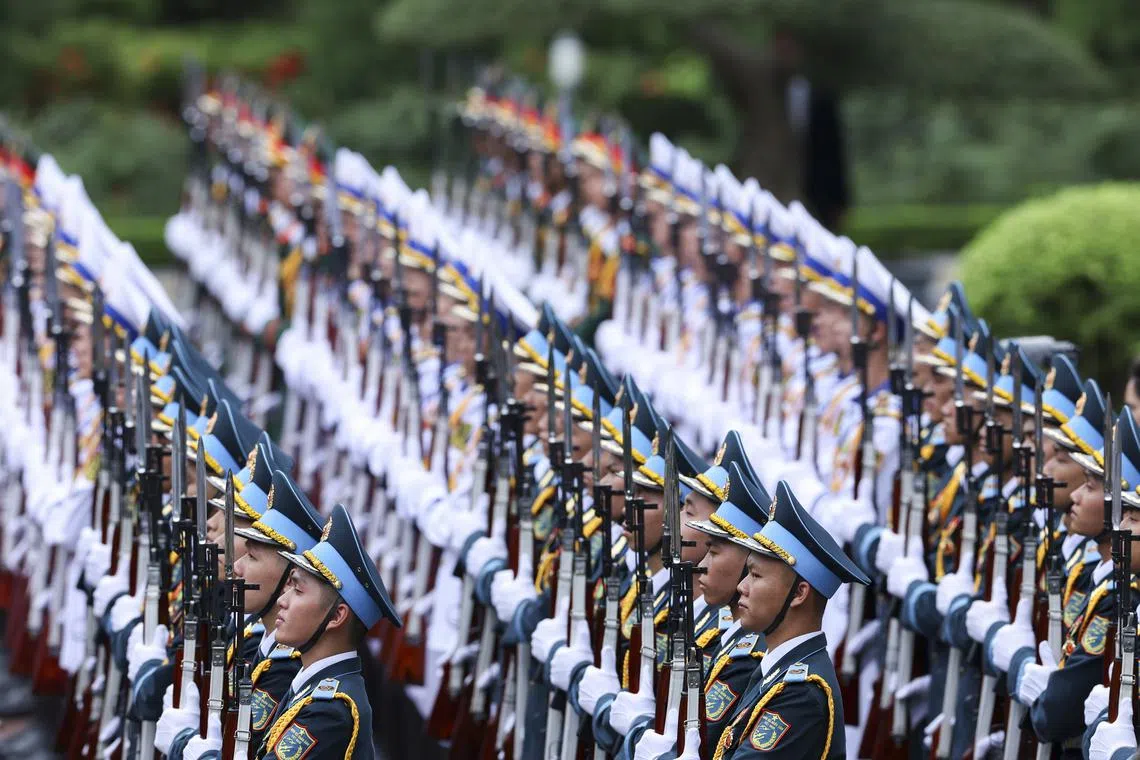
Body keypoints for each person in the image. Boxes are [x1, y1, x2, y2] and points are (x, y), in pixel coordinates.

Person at [713, 480, 870, 759]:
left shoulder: (801, 694)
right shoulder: (777, 669)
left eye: (756, 576)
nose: (742, 587)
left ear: (799, 593)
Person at [253, 503, 400, 760]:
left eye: (298, 590)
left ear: (336, 616)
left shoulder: (330, 709)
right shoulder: (312, 686)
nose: (282, 601)